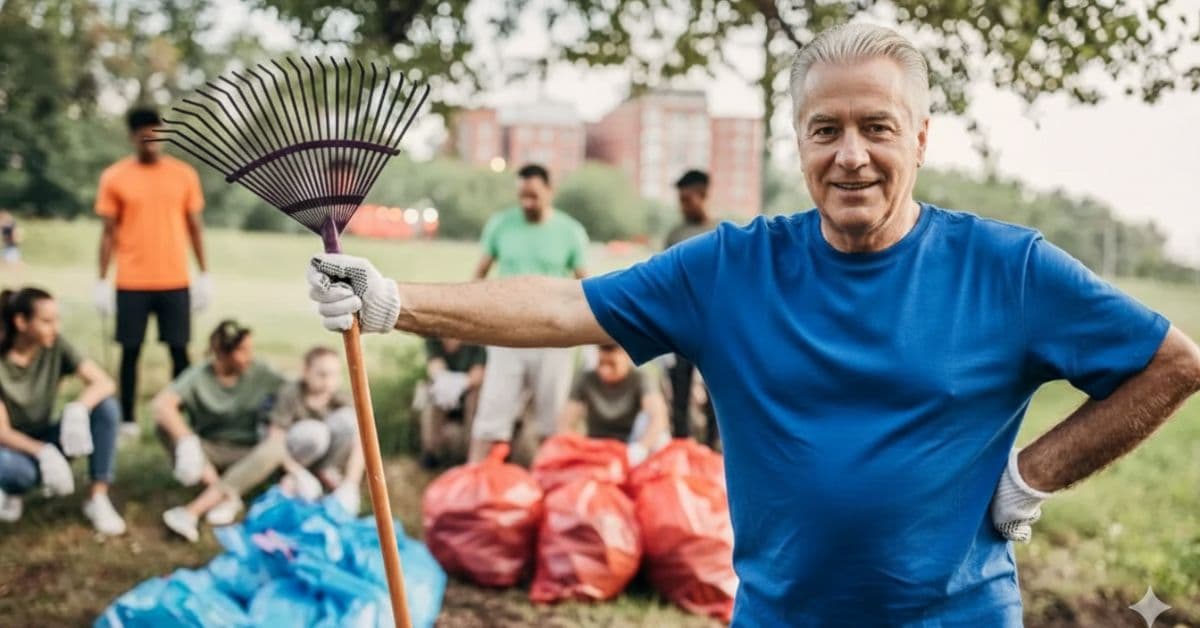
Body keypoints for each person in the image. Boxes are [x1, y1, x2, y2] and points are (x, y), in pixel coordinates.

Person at [303, 23, 1200, 625]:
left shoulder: (1009, 269)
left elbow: (1169, 362)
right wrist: (395, 301)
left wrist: (1030, 477)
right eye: (825, 130)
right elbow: (569, 304)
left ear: (921, 138)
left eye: (877, 128)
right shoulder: (731, 267)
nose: (851, 155)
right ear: (799, 143)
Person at [95, 107, 211, 436]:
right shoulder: (115, 177)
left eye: (156, 135)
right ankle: (128, 418)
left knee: (179, 351)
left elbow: (195, 227)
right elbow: (108, 232)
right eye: (144, 137)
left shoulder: (184, 174)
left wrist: (204, 274)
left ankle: (181, 417)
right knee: (130, 351)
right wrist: (102, 280)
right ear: (132, 137)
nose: (151, 143)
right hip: (131, 280)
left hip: (175, 279)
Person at [465, 163, 589, 463]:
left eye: (533, 195)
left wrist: (586, 338)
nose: (527, 202)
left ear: (550, 190)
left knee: (553, 421)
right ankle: (473, 481)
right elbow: (478, 275)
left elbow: (583, 285)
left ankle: (551, 488)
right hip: (507, 336)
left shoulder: (570, 231)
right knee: (491, 416)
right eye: (522, 195)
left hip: (552, 338)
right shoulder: (501, 224)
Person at [0, 288, 126, 535]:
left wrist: (78, 410)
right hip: (10, 448)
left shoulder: (55, 346)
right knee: (15, 470)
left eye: (57, 320)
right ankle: (12, 491)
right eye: (47, 321)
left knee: (106, 407)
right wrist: (43, 452)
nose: (55, 328)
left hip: (45, 434)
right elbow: (2, 432)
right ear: (21, 322)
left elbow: (104, 382)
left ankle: (97, 498)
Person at [154, 320, 284, 542]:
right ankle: (225, 495)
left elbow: (296, 389)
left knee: (277, 446)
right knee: (164, 427)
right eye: (242, 351)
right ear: (221, 352)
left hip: (249, 451)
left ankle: (193, 511)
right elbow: (161, 405)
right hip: (209, 450)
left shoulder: (261, 373)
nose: (249, 357)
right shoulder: (199, 376)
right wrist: (186, 441)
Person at [268, 346, 364, 514]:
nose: (328, 382)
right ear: (306, 371)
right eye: (322, 374)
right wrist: (296, 471)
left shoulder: (341, 398)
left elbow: (361, 444)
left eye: (334, 375)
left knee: (349, 421)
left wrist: (351, 483)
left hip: (324, 457)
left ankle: (327, 472)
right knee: (316, 433)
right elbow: (275, 438)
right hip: (293, 457)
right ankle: (294, 478)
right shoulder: (291, 394)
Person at [661, 170, 718, 445]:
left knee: (716, 394)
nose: (683, 205)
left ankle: (713, 448)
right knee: (679, 392)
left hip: (716, 328)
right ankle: (680, 446)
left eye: (687, 199)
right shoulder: (675, 234)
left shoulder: (721, 233)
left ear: (704, 195)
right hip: (681, 326)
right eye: (680, 200)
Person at [555, 344, 669, 465]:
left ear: (625, 357)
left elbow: (659, 417)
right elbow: (565, 423)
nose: (605, 371)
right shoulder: (587, 379)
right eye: (601, 363)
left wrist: (641, 448)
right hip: (597, 445)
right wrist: (575, 447)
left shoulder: (639, 378)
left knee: (660, 438)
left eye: (611, 364)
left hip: (629, 445)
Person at [415, 336, 486, 468]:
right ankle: (431, 451)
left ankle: (470, 453)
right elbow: (434, 363)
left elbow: (479, 371)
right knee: (431, 393)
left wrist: (461, 383)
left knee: (475, 399)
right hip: (446, 388)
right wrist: (444, 380)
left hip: (470, 389)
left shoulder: (476, 339)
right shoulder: (433, 336)